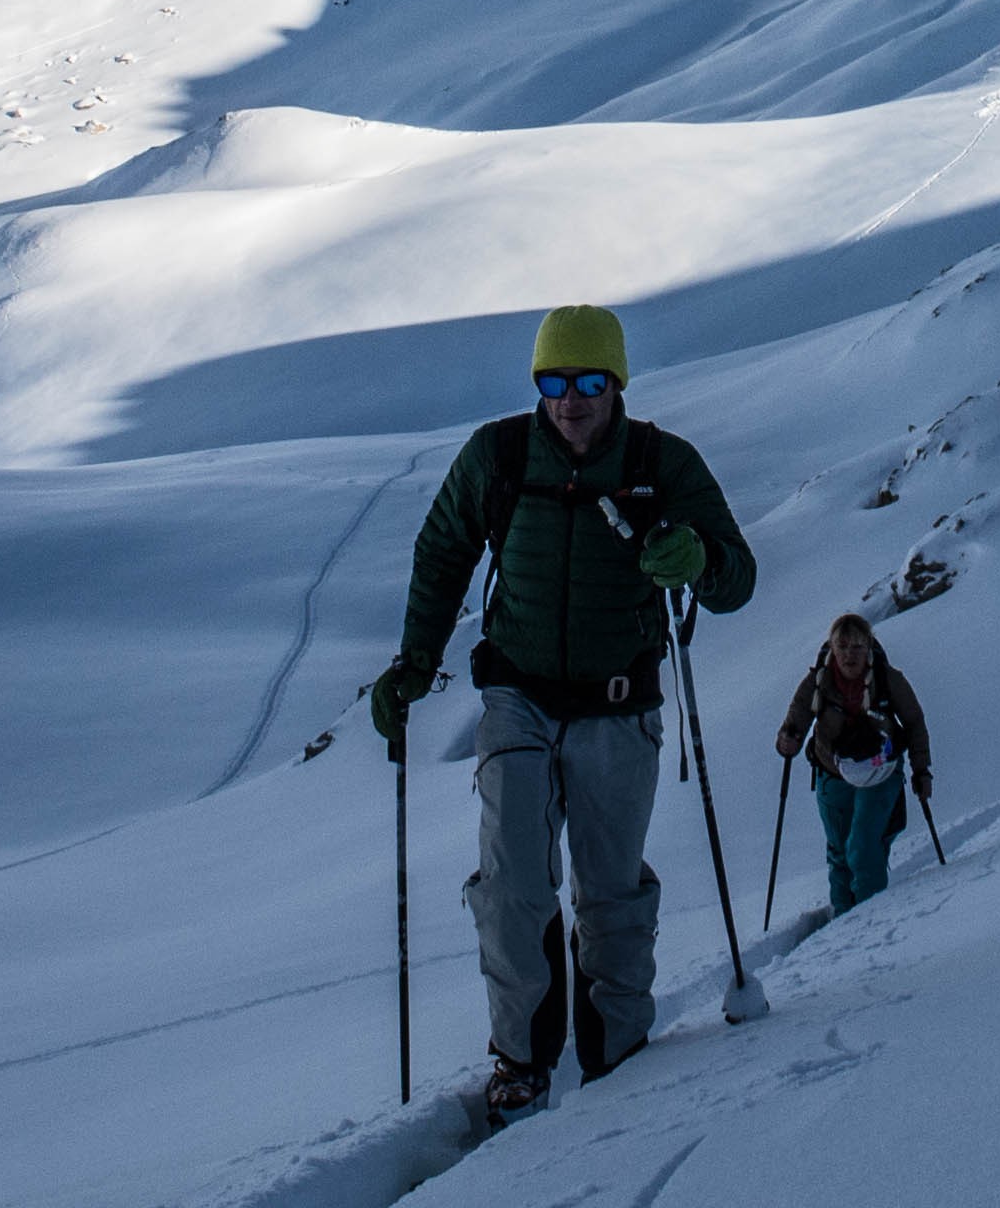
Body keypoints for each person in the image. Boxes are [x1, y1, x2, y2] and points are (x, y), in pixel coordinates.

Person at [372, 304, 756, 1112]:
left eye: (587, 381)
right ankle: (521, 1063)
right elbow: (443, 549)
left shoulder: (662, 462)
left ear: (616, 383)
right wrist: (414, 663)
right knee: (513, 883)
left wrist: (698, 558)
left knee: (610, 892)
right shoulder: (499, 456)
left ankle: (617, 1056)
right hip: (517, 696)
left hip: (620, 705)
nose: (570, 400)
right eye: (554, 381)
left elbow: (736, 579)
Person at [774, 612, 933, 916]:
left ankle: (865, 924)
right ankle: (844, 920)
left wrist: (922, 770)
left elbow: (914, 722)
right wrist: (786, 741)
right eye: (843, 646)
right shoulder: (817, 681)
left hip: (880, 773)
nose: (849, 655)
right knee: (839, 851)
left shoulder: (887, 679)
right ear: (833, 648)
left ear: (868, 648)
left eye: (857, 647)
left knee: (862, 848)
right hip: (832, 773)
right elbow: (794, 722)